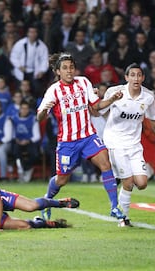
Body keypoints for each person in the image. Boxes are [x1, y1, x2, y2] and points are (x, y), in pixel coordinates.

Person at [36, 53, 126, 221]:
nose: (69, 71)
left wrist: (112, 98)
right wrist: (43, 111)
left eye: (71, 67)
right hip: (67, 143)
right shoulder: (53, 90)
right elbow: (39, 117)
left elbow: (96, 106)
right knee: (62, 180)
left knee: (106, 163)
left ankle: (114, 207)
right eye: (65, 68)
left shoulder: (84, 82)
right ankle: (47, 200)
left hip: (88, 136)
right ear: (57, 72)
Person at [99, 63, 155, 226]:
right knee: (128, 182)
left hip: (134, 145)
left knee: (141, 183)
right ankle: (123, 217)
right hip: (115, 142)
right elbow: (99, 110)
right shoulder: (114, 92)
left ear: (143, 78)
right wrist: (111, 100)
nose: (136, 78)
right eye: (132, 75)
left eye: (139, 75)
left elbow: (154, 119)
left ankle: (119, 180)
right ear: (126, 77)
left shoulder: (149, 97)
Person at [12, 101, 41, 182]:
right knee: (15, 150)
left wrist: (28, 141)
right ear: (20, 109)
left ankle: (28, 169)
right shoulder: (14, 119)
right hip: (18, 142)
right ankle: (21, 170)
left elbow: (37, 136)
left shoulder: (33, 119)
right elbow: (12, 133)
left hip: (29, 142)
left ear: (28, 110)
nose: (24, 110)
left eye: (26, 109)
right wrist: (16, 139)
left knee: (34, 153)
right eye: (22, 108)